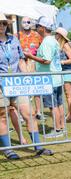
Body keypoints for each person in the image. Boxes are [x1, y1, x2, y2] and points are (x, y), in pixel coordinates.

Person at [0, 13, 53, 159]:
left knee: (28, 114)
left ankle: (38, 147)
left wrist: (27, 77)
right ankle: (8, 149)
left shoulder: (14, 39)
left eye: (4, 23)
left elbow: (21, 61)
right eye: (0, 23)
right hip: (1, 84)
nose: (2, 26)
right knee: (2, 116)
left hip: (17, 83)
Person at [25, 16, 65, 138]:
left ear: (42, 28)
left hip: (50, 79)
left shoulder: (47, 41)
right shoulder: (53, 40)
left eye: (37, 26)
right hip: (56, 77)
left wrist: (30, 56)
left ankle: (57, 130)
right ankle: (60, 128)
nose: (36, 28)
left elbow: (46, 61)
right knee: (57, 105)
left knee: (52, 106)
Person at [17, 16, 44, 120]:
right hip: (22, 62)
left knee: (36, 87)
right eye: (24, 22)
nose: (26, 23)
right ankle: (22, 113)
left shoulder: (37, 35)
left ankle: (38, 111)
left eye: (28, 22)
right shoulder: (17, 36)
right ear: (21, 23)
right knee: (23, 88)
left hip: (34, 62)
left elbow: (42, 48)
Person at [55, 27, 71, 123]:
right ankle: (63, 114)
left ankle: (70, 114)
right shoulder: (57, 45)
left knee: (68, 93)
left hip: (67, 71)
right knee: (60, 94)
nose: (55, 35)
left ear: (61, 36)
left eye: (57, 34)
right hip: (59, 72)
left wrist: (61, 62)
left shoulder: (66, 45)